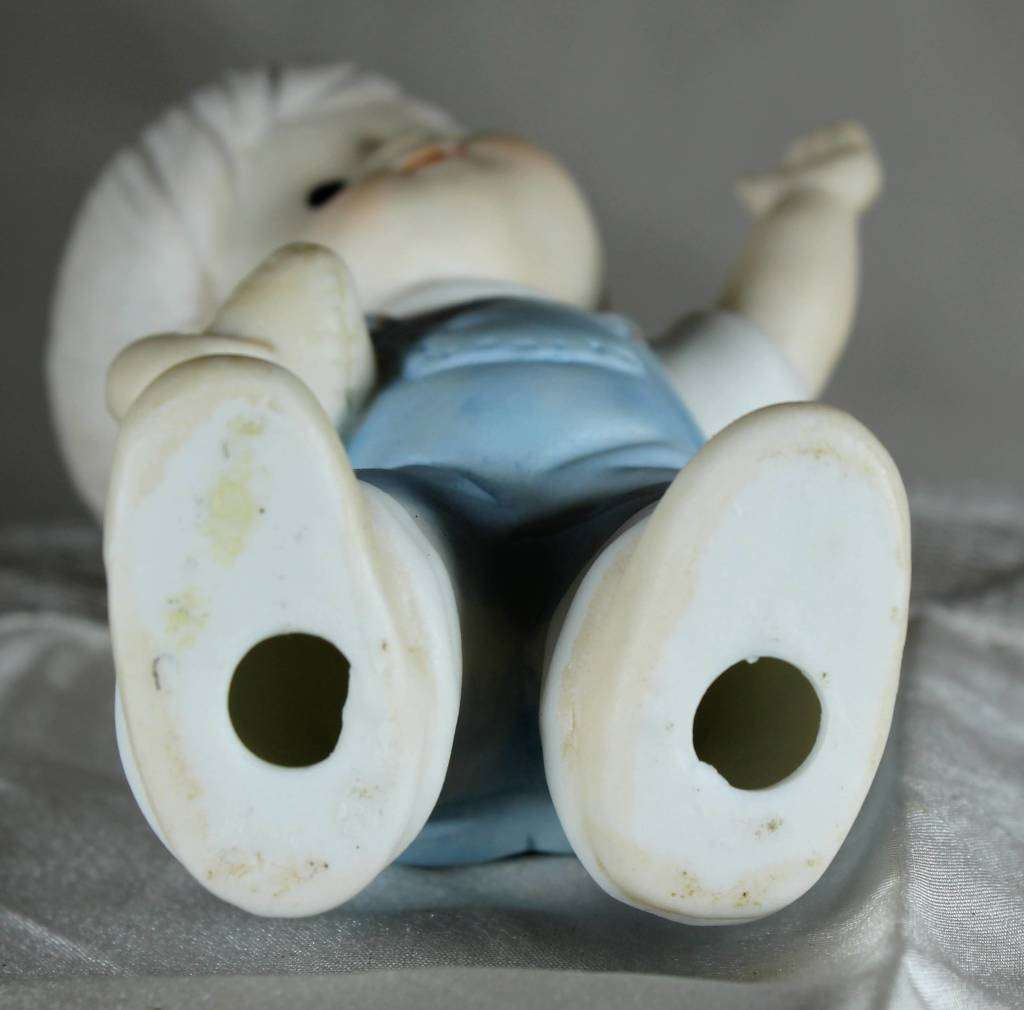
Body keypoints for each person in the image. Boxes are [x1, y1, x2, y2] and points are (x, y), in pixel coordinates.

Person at [55, 64, 910, 920]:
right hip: (413, 716)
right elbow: (190, 410)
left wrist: (812, 208)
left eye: (413, 123)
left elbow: (778, 318)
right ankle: (290, 701)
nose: (401, 147)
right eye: (326, 188)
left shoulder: (650, 363)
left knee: (675, 541)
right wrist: (228, 373)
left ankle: (713, 724)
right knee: (366, 537)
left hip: (628, 679)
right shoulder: (337, 359)